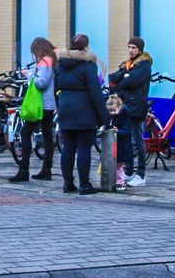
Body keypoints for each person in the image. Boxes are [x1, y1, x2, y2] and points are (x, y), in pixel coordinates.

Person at [55, 34, 107, 195]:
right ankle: (84, 185)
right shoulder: (88, 64)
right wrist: (104, 117)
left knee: (68, 148)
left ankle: (67, 183)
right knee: (84, 148)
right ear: (86, 47)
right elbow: (95, 91)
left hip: (65, 108)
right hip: (84, 111)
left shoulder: (61, 64)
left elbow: (55, 86)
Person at [10, 37, 56, 182]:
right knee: (48, 136)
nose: (35, 55)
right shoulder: (51, 60)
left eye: (35, 52)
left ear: (39, 49)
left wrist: (29, 74)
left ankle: (24, 170)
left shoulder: (45, 61)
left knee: (26, 132)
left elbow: (41, 83)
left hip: (41, 105)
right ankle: (46, 170)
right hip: (48, 105)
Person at [109, 36, 153, 186]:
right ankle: (128, 172)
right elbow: (112, 79)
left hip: (137, 107)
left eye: (134, 48)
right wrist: (124, 75)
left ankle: (141, 174)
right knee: (127, 140)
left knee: (138, 141)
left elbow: (132, 81)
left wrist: (123, 79)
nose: (131, 50)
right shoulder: (127, 64)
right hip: (125, 106)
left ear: (140, 49)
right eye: (129, 47)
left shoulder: (144, 65)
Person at [106, 95, 130, 190]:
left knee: (119, 166)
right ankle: (114, 180)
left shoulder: (123, 117)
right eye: (110, 111)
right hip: (113, 146)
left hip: (121, 146)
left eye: (113, 110)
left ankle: (120, 182)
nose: (112, 113)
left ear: (119, 108)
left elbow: (126, 131)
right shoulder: (111, 118)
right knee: (114, 166)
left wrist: (118, 131)